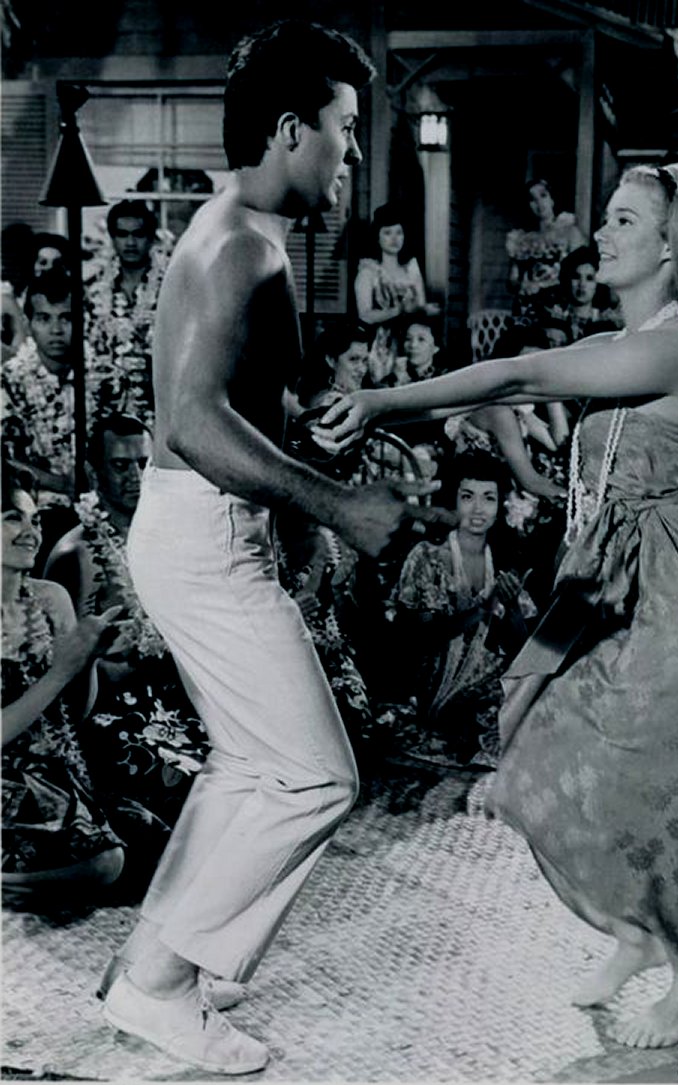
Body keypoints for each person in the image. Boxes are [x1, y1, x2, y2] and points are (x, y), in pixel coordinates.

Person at [319, 162, 678, 1049]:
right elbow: (518, 399)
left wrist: (381, 402)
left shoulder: (677, 347)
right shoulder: (628, 341)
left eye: (622, 220)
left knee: (659, 775)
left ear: (671, 245)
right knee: (533, 720)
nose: (599, 233)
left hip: (677, 581)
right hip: (608, 574)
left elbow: (517, 376)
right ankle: (634, 929)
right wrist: (517, 461)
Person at [98, 19, 443, 1076]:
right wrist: (337, 505)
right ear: (292, 129)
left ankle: (157, 966)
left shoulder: (242, 232)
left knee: (253, 766)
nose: (354, 151)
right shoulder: (240, 244)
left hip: (201, 529)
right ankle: (159, 985)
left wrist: (311, 434)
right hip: (204, 537)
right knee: (314, 778)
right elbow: (192, 422)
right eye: (345, 126)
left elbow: (231, 404)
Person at [43, 415, 210, 890]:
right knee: (189, 791)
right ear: (93, 472)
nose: (134, 477)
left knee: (246, 771)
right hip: (107, 717)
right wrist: (125, 660)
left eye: (142, 463)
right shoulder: (75, 555)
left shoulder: (170, 537)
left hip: (174, 699)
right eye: (119, 466)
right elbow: (63, 680)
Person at [2, 464, 125, 912]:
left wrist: (87, 659)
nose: (31, 532)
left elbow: (75, 712)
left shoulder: (52, 598)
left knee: (147, 848)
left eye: (35, 520)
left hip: (57, 770)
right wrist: (59, 671)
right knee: (105, 864)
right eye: (12, 518)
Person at [384, 450, 536, 769]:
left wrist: (511, 608)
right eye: (467, 496)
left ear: (500, 505)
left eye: (488, 498)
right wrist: (481, 609)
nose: (478, 509)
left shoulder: (503, 560)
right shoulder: (427, 556)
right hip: (432, 687)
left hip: (488, 685)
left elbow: (522, 650)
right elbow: (419, 640)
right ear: (452, 501)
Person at [1, 267, 79, 564]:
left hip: (101, 504)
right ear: (28, 323)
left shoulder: (103, 375)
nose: (56, 330)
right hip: (36, 510)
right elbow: (5, 457)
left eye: (66, 318)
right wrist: (60, 483)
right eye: (44, 318)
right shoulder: (8, 380)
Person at [84, 199, 172, 428]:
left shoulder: (172, 285)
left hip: (161, 405)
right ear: (112, 238)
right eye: (122, 235)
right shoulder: (93, 289)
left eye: (138, 234)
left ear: (151, 237)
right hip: (106, 409)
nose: (130, 243)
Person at [353, 202, 439, 386]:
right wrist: (399, 310)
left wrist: (425, 309)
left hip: (409, 343)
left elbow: (419, 307)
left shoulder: (411, 269)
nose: (394, 239)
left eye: (399, 233)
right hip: (380, 345)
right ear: (377, 236)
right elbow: (365, 315)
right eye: (387, 233)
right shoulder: (368, 272)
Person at [505, 177, 586, 318]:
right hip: (526, 308)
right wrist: (521, 284)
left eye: (543, 195)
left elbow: (580, 273)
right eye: (532, 199)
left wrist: (542, 285)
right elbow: (512, 281)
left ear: (552, 199)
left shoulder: (569, 232)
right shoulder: (521, 239)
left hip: (559, 308)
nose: (539, 203)